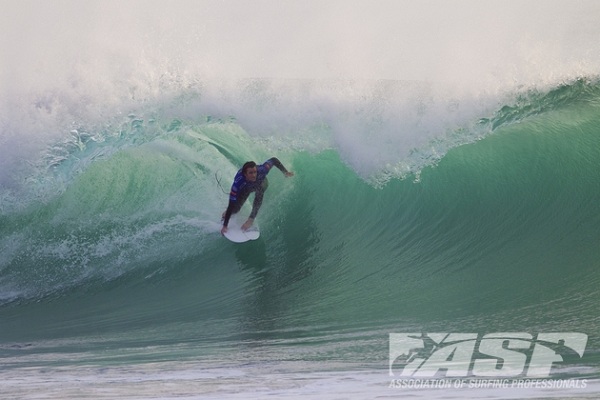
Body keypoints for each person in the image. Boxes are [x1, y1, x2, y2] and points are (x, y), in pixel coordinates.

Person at [221, 157, 294, 235]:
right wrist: (225, 225)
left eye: (255, 172)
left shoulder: (262, 169)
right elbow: (231, 204)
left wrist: (285, 172)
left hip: (261, 182)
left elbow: (274, 160)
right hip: (246, 188)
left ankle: (251, 219)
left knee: (260, 189)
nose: (254, 175)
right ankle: (226, 214)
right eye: (251, 173)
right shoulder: (238, 183)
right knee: (235, 209)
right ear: (245, 174)